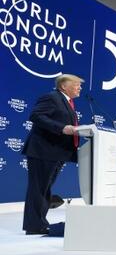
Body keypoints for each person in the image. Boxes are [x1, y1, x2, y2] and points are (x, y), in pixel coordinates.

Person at [22, 74, 83, 235]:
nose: (79, 88)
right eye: (76, 84)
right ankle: (34, 225)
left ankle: (39, 223)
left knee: (45, 188)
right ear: (64, 86)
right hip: (43, 150)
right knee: (38, 188)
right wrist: (61, 128)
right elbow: (36, 116)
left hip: (55, 152)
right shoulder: (52, 97)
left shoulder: (68, 103)